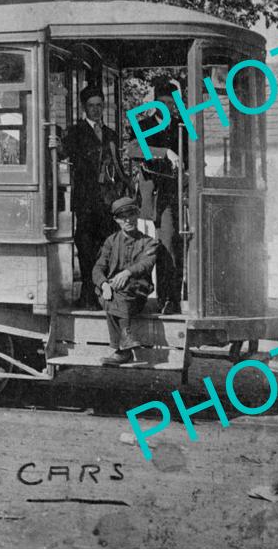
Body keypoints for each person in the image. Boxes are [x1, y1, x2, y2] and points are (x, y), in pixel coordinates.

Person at [58, 86, 127, 308]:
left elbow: (117, 166)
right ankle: (88, 295)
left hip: (108, 202)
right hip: (86, 201)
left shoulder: (110, 134)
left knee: (106, 248)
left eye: (99, 106)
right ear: (84, 108)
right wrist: (54, 145)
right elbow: (61, 153)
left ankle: (102, 294)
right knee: (86, 248)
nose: (96, 110)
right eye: (91, 106)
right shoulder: (75, 132)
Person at [127, 80, 185, 313]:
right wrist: (165, 153)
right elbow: (133, 150)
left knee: (177, 246)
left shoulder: (181, 126)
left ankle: (174, 299)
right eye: (162, 103)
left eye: (171, 104)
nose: (167, 107)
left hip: (179, 194)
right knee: (166, 246)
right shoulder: (144, 125)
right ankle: (167, 300)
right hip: (157, 198)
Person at [93, 197, 159, 365]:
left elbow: (146, 263)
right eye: (123, 217)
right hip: (112, 291)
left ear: (137, 215)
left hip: (135, 295)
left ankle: (120, 350)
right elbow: (98, 268)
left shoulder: (148, 242)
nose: (128, 220)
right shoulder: (111, 241)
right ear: (116, 220)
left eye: (131, 215)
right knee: (111, 293)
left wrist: (127, 273)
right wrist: (103, 283)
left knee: (119, 291)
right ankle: (126, 337)